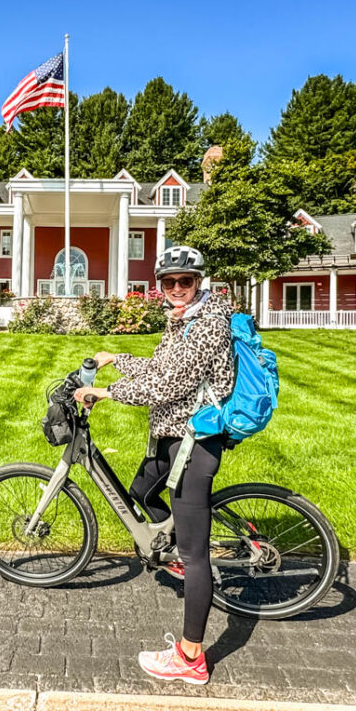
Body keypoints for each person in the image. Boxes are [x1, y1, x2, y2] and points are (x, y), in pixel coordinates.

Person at [73, 245, 235, 685]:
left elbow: (164, 385)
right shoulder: (181, 320)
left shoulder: (208, 326)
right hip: (171, 437)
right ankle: (174, 553)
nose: (177, 289)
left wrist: (106, 393)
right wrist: (116, 359)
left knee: (197, 555)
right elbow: (159, 367)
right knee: (142, 492)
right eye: (169, 282)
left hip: (196, 444)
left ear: (199, 281)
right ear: (161, 286)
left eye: (186, 281)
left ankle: (190, 658)